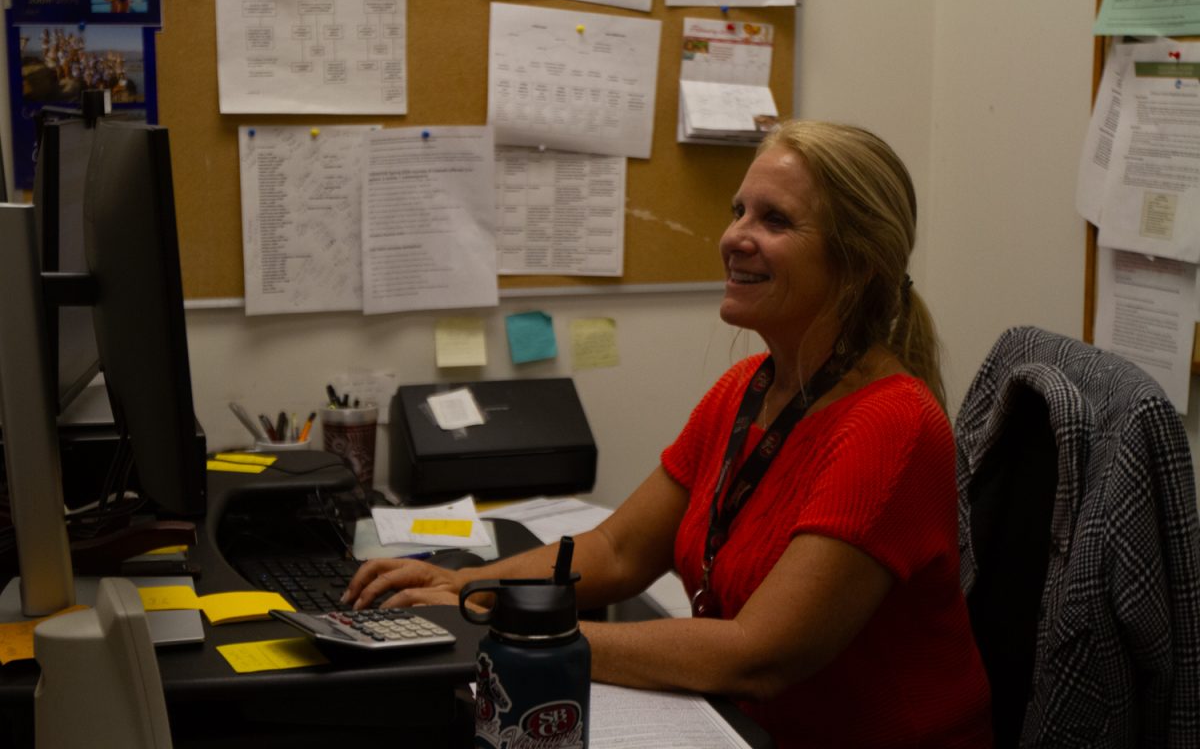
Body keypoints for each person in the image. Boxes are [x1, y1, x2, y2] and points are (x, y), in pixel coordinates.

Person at [343, 120, 993, 747]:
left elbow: (753, 656)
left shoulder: (892, 426)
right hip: (738, 728)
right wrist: (467, 585)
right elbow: (619, 551)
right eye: (739, 210)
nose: (735, 237)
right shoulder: (746, 389)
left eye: (774, 220)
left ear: (859, 261)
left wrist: (514, 626)